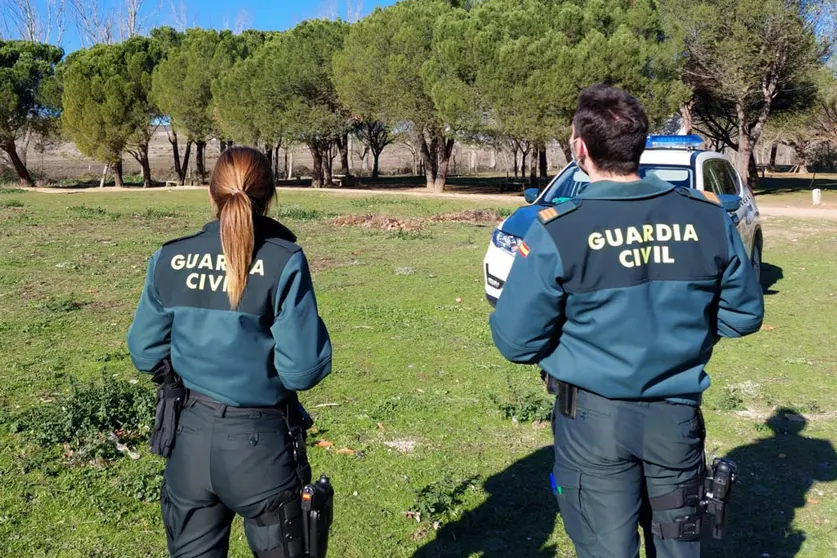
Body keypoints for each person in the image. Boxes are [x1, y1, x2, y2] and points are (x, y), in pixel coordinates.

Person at [489, 85, 764, 558]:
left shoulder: (560, 227)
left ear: (580, 147)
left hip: (593, 421)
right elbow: (743, 316)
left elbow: (516, 342)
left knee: (605, 549)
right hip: (675, 416)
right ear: (641, 144)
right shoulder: (707, 218)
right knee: (678, 546)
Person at [127, 147, 332, 558]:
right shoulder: (283, 260)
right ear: (270, 195)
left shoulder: (169, 257)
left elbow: (144, 350)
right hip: (261, 448)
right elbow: (302, 371)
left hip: (188, 439)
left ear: (211, 193)